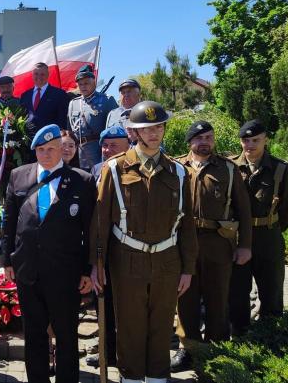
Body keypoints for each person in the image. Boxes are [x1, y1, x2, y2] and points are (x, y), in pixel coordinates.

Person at [90, 101, 198, 383]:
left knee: (162, 326)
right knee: (130, 326)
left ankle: (157, 378)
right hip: (128, 259)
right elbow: (100, 222)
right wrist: (97, 264)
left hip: (167, 260)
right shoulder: (114, 169)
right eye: (147, 128)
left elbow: (187, 224)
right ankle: (132, 378)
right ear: (135, 132)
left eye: (159, 127)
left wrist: (188, 268)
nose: (154, 133)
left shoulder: (179, 172)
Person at [3, 124, 96, 383]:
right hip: (27, 270)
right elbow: (9, 222)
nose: (45, 154)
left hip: (64, 272)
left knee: (66, 335)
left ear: (62, 150)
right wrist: (8, 259)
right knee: (34, 335)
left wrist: (88, 269)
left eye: (51, 149)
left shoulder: (82, 180)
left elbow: (89, 229)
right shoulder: (19, 176)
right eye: (40, 149)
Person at [170, 120, 252, 370]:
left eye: (209, 137)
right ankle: (189, 348)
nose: (204, 142)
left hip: (218, 243)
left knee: (218, 297)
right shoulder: (176, 168)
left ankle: (217, 349)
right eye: (199, 137)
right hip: (184, 243)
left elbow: (244, 211)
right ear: (190, 142)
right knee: (186, 297)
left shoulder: (228, 169)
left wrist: (245, 245)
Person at [228, 119, 288, 336]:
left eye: (255, 140)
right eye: (245, 140)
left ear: (265, 139)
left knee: (272, 288)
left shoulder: (281, 169)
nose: (249, 145)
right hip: (238, 237)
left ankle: (271, 335)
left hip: (268, 236)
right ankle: (240, 334)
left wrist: (272, 227)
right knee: (237, 290)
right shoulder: (230, 166)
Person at [84, 123, 130, 370]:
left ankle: (126, 354)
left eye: (114, 145)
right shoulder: (96, 170)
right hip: (101, 248)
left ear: (127, 146)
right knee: (103, 303)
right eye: (104, 145)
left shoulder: (132, 170)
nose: (107, 149)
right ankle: (107, 352)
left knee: (126, 306)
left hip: (127, 248)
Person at [67, 65, 118, 171]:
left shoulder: (107, 100)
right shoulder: (73, 103)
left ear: (94, 82)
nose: (83, 86)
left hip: (98, 153)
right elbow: (69, 131)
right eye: (80, 84)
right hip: (77, 154)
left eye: (86, 83)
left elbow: (115, 130)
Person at [19, 63, 68, 134]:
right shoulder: (25, 95)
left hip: (50, 137)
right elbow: (22, 117)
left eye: (42, 74)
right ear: (32, 75)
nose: (39, 77)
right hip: (29, 138)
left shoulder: (59, 94)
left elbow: (63, 118)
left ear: (48, 75)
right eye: (36, 74)